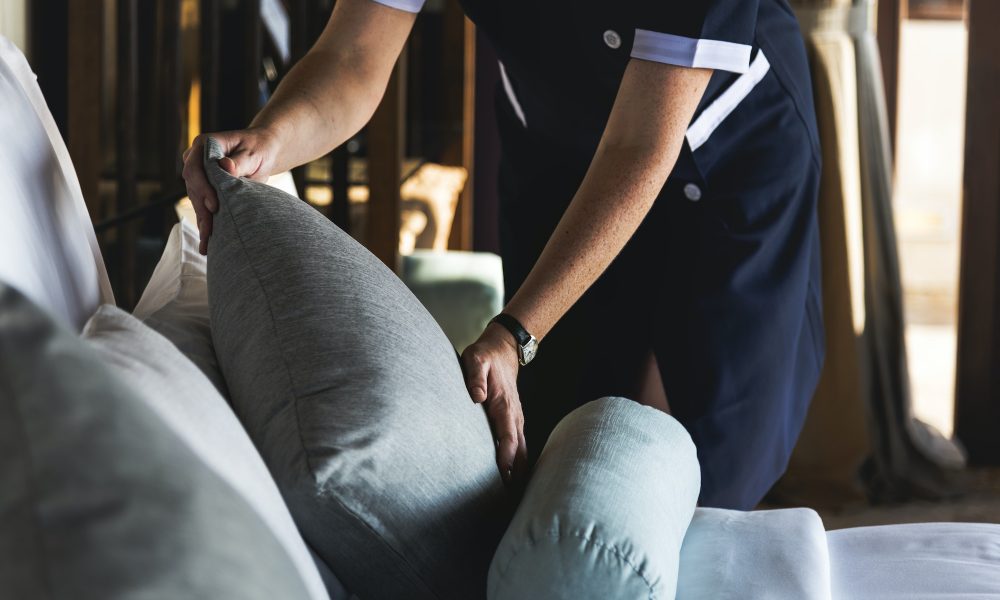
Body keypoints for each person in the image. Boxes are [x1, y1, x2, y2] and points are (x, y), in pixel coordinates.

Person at [182, 0, 824, 510]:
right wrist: (269, 140)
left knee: (711, 459)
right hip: (557, 148)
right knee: (555, 438)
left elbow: (637, 145)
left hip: (721, 154)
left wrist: (516, 333)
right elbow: (353, 57)